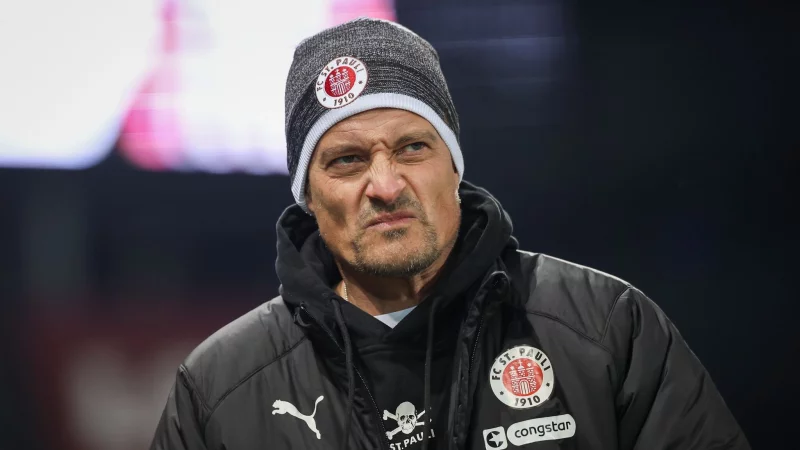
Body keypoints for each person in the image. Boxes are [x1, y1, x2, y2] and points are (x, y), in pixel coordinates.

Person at [150, 18, 749, 450]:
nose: (386, 185)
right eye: (348, 161)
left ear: (455, 165)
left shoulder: (606, 330)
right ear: (308, 196)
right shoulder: (220, 389)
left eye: (412, 148)